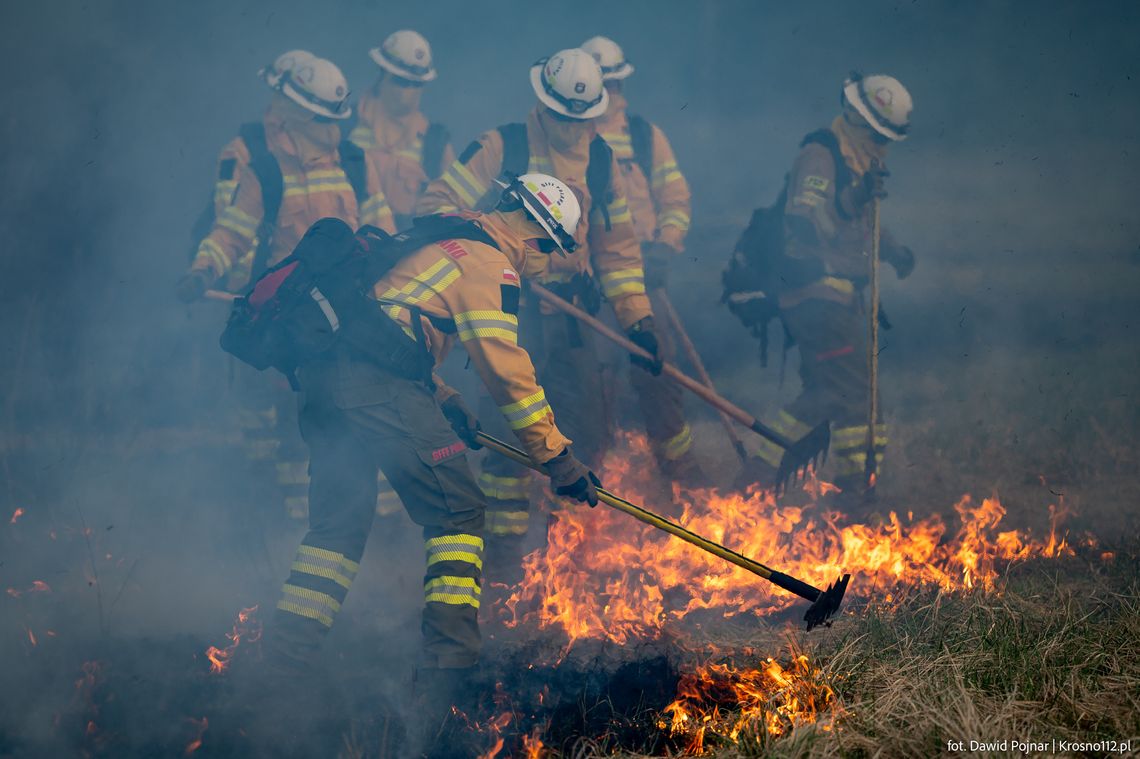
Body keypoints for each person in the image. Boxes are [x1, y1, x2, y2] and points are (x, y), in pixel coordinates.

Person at [260, 174, 600, 735]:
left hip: (324, 381)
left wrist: (444, 400)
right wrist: (557, 458)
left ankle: (283, 663)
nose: (543, 266)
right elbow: (508, 373)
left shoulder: (447, 242)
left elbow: (390, 325)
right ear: (538, 241)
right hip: (372, 384)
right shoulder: (492, 264)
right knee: (459, 511)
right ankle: (448, 674)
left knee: (336, 531)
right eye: (550, 254)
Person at [417, 48, 664, 577]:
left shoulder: (602, 162)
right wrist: (494, 243)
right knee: (512, 433)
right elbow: (432, 208)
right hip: (503, 304)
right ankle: (505, 558)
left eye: (581, 118)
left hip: (571, 316)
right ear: (541, 103)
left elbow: (617, 248)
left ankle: (561, 559)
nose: (570, 127)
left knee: (579, 433)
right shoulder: (498, 146)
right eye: (560, 115)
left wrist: (637, 319)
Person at [177, 54, 396, 520]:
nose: (332, 127)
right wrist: (202, 271)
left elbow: (382, 234)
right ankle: (298, 527)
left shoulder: (358, 165)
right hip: (295, 323)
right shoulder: (265, 171)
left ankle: (382, 526)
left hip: (351, 319)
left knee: (361, 415)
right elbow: (231, 233)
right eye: (322, 117)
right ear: (297, 113)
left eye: (335, 117)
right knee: (298, 427)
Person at [728, 73, 916, 500]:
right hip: (815, 297)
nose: (881, 143)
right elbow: (806, 224)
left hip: (839, 298)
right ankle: (852, 495)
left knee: (825, 393)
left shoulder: (860, 162)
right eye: (876, 132)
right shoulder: (820, 156)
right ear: (855, 117)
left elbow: (864, 228)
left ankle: (756, 480)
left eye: (887, 136)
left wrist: (895, 251)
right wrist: (853, 198)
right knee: (854, 393)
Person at [581, 35, 706, 485]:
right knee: (595, 387)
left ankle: (683, 479)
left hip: (644, 282)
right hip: (590, 288)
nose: (608, 94)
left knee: (659, 375)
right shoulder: (571, 138)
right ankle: (594, 486)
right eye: (602, 85)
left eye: (613, 84)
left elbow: (675, 198)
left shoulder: (644, 136)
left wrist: (663, 247)